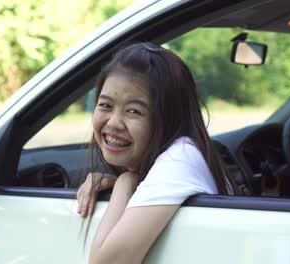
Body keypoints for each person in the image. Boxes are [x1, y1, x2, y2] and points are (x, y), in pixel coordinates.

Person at [76, 42, 236, 264]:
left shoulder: (181, 158)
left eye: (134, 111)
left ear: (168, 117)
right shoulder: (185, 154)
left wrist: (126, 181)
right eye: (105, 105)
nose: (113, 123)